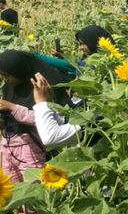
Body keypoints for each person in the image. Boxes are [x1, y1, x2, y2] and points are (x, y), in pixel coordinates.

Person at [0, 51, 73, 180]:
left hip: (31, 149)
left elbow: (46, 119)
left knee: (33, 190)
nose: (5, 79)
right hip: (8, 148)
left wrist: (12, 107)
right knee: (11, 193)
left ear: (19, 71)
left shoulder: (42, 89)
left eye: (7, 75)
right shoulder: (9, 87)